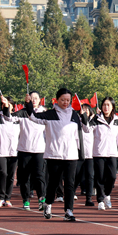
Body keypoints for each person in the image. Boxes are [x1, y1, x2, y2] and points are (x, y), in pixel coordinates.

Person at [26, 88, 85, 222]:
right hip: (54, 154)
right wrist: (28, 104)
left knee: (70, 183)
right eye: (63, 100)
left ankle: (69, 211)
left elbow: (85, 129)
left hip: (71, 154)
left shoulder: (74, 115)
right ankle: (48, 204)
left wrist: (85, 116)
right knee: (53, 183)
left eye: (68, 100)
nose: (65, 102)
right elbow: (33, 117)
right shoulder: (50, 114)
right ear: (57, 100)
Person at [86, 98, 118, 210]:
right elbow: (86, 129)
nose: (106, 107)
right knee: (100, 177)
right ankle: (100, 200)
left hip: (112, 153)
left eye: (108, 105)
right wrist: (86, 118)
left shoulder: (117, 120)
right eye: (104, 105)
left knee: (112, 176)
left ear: (112, 107)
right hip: (99, 153)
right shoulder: (96, 119)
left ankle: (107, 194)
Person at [12, 92, 47, 211]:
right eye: (31, 98)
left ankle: (41, 198)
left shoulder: (44, 113)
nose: (34, 100)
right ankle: (26, 199)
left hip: (39, 150)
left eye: (36, 98)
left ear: (40, 100)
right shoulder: (22, 112)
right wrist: (6, 107)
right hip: (24, 149)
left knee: (39, 175)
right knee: (24, 177)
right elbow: (9, 117)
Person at [0, 97, 21, 207]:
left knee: (10, 175)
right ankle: (0, 197)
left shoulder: (17, 119)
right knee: (2, 173)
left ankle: (8, 198)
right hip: (1, 151)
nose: (7, 107)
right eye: (5, 105)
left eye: (9, 105)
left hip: (13, 151)